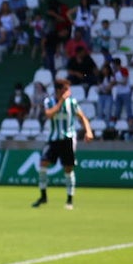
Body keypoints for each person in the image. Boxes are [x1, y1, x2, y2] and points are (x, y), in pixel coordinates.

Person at [32, 77, 94, 210]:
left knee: (68, 168)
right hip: (53, 139)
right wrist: (60, 101)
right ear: (58, 90)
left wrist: (88, 131)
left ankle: (69, 199)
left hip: (68, 138)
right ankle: (43, 196)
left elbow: (82, 117)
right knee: (43, 163)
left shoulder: (72, 102)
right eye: (66, 89)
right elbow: (49, 114)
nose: (69, 92)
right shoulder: (49, 101)